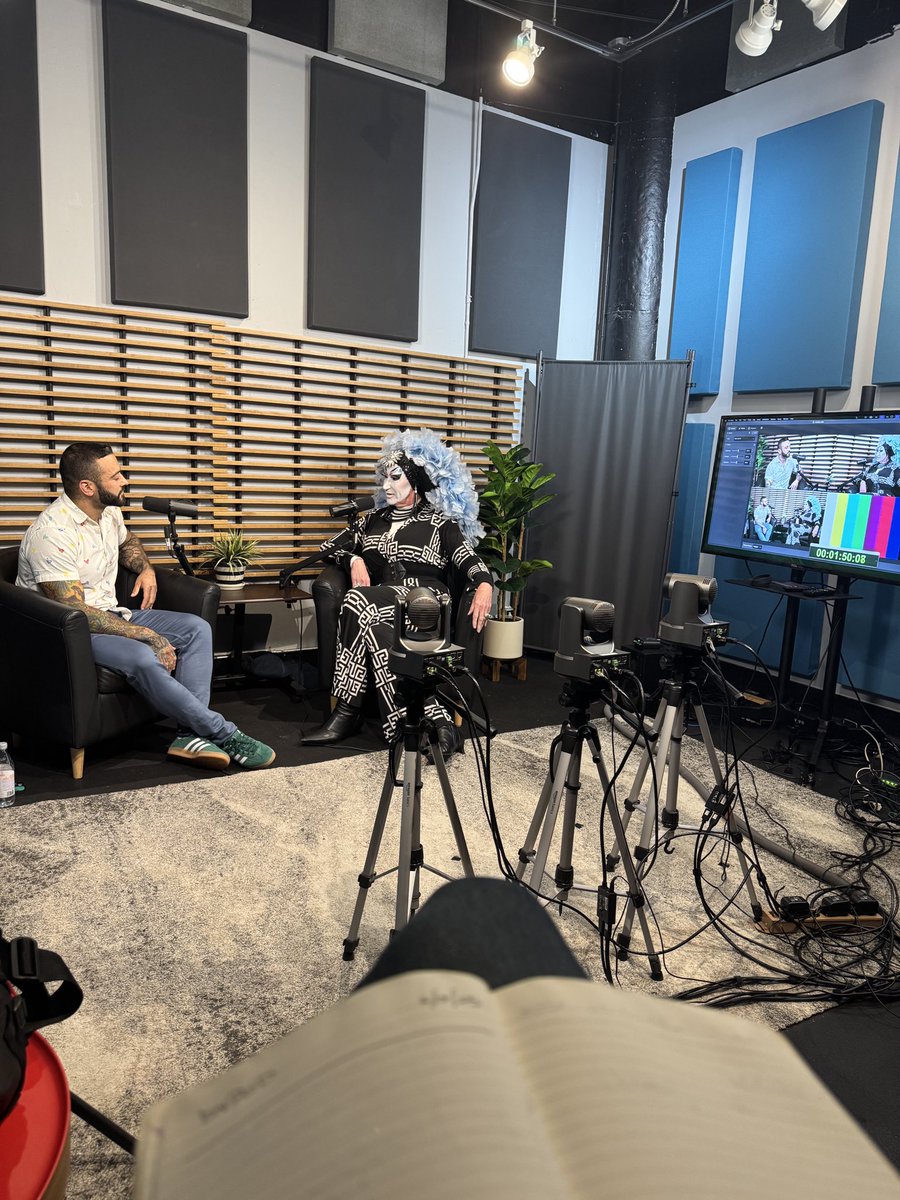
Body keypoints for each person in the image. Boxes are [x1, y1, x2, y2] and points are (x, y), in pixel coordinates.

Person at [16, 442, 275, 770]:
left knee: (196, 629)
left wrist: (146, 569)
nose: (124, 480)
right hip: (70, 633)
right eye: (115, 476)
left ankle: (188, 736)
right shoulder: (51, 534)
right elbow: (74, 610)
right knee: (142, 655)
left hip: (111, 614)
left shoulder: (107, 512)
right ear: (87, 487)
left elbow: (128, 542)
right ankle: (223, 732)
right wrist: (145, 634)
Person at [302, 429, 493, 757]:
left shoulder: (440, 523)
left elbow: (469, 560)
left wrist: (485, 583)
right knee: (375, 628)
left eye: (395, 478)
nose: (386, 486)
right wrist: (353, 559)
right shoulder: (371, 520)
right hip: (379, 607)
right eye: (384, 478)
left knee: (356, 600)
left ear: (415, 483)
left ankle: (347, 712)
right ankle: (437, 721)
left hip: (425, 605)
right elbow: (328, 548)